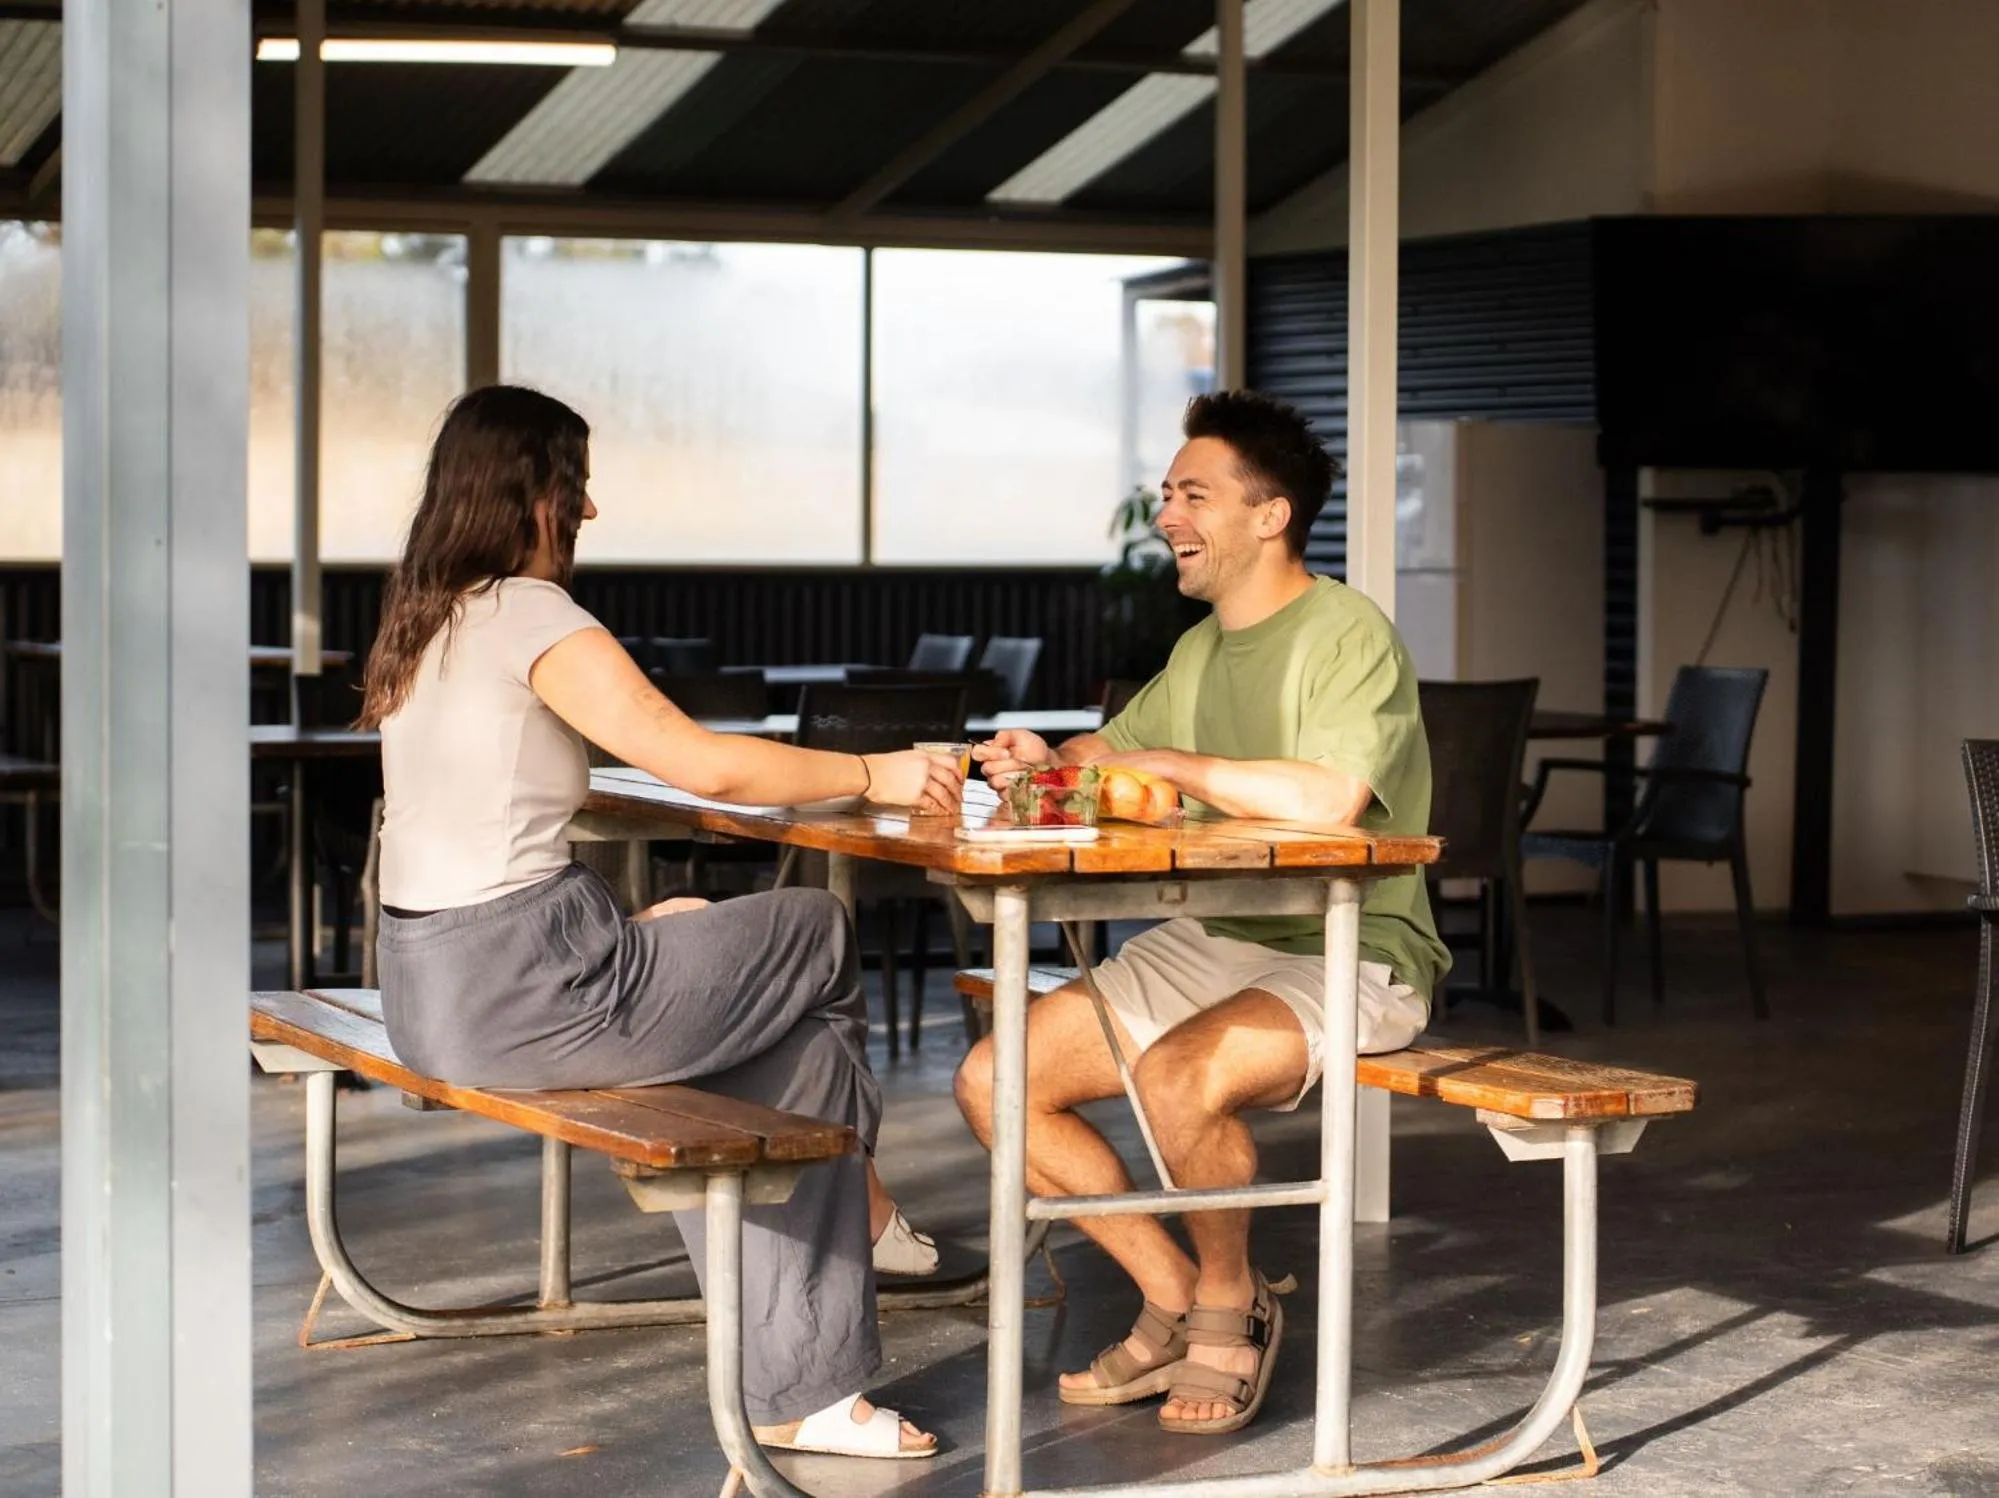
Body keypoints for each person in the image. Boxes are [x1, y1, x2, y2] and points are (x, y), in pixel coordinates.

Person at [360, 384, 955, 1460]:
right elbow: (702, 762)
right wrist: (884, 771)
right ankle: (863, 1211)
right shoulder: (530, 612)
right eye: (573, 485)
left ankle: (805, 1391)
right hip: (526, 983)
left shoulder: (429, 615)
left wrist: (657, 929)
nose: (587, 511)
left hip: (432, 986)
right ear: (525, 491)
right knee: (816, 930)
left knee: (786, 1052)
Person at [956, 390, 1450, 1436]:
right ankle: (1178, 1294)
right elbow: (1108, 751)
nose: (1165, 515)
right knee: (997, 1082)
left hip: (1348, 947)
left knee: (1181, 1077)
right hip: (1215, 938)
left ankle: (1230, 1305)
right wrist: (1048, 757)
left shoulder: (1345, 631)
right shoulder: (1197, 650)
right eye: (1164, 493)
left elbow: (1330, 799)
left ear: (1268, 515)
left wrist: (1171, 763)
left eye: (1190, 494)